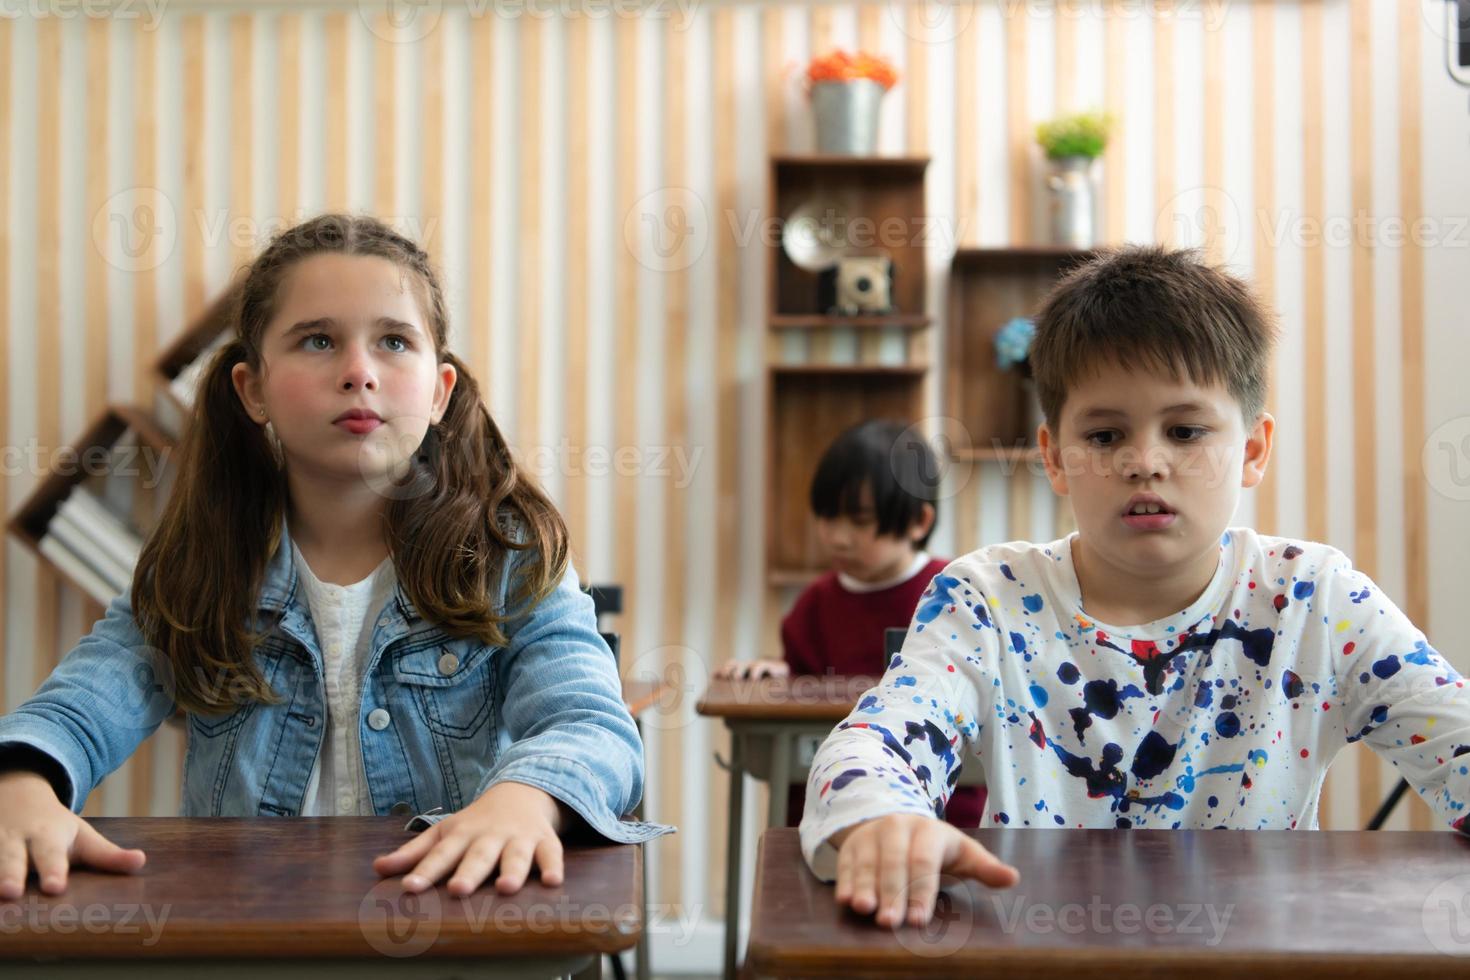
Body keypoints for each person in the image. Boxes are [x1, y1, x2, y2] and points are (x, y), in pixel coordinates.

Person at [0, 214, 671, 900]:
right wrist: (22, 784)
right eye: (317, 340)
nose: (358, 373)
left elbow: (590, 724)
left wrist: (527, 798)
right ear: (252, 389)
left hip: (461, 941)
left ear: (439, 392)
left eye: (393, 341)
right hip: (255, 940)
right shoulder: (198, 564)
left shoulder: (510, 558)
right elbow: (76, 711)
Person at [800, 245, 1470, 929]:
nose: (1143, 461)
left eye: (1185, 430)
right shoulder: (987, 599)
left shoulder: (1315, 599)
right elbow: (874, 745)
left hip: (1256, 962)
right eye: (1104, 433)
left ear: (1252, 451)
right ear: (1054, 457)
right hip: (1045, 959)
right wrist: (884, 819)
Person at [715, 419, 985, 828]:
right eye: (828, 517)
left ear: (919, 522)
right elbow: (806, 681)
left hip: (941, 817)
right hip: (832, 813)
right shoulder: (816, 604)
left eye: (859, 522)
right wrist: (784, 673)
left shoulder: (951, 595)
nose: (837, 537)